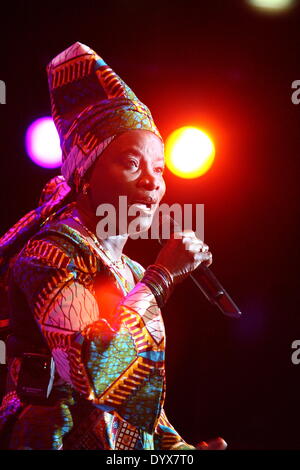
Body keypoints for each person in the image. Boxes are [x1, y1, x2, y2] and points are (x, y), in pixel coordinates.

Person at [0, 42, 226, 450]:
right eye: (132, 163)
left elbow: (137, 404)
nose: (153, 182)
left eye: (159, 168)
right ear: (85, 174)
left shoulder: (132, 273)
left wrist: (181, 452)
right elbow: (94, 370)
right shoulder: (46, 255)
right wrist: (162, 278)